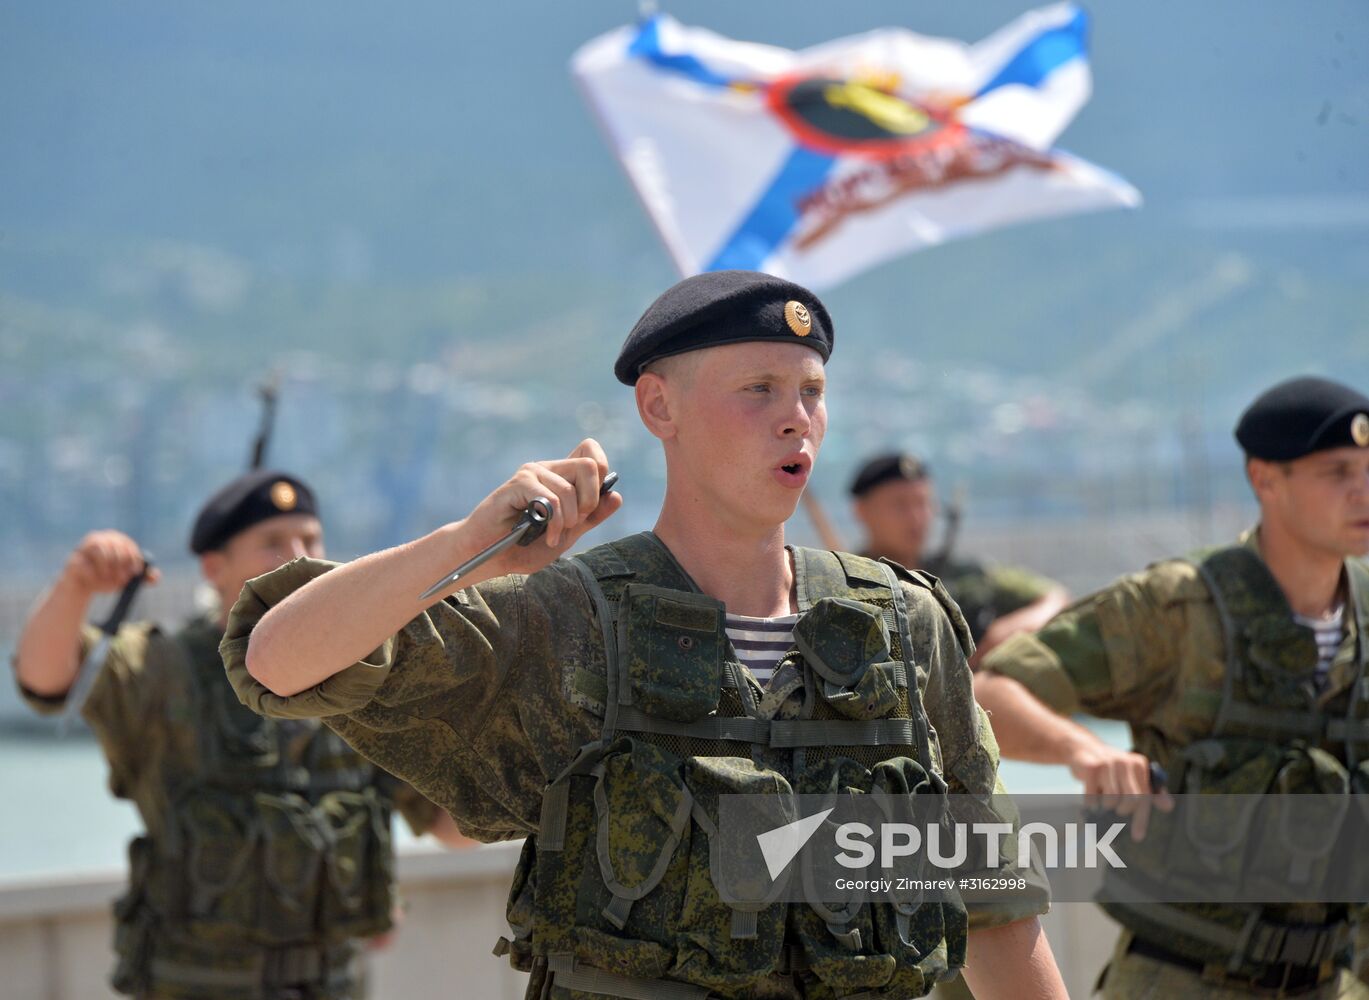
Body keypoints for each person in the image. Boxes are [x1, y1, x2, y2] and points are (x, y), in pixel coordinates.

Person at [220, 271, 1067, 1000]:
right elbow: (279, 661)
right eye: (758, 390)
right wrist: (470, 551)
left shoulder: (900, 624)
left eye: (810, 392)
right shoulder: (573, 618)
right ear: (659, 406)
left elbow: (993, 901)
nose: (795, 419)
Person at [973, 375, 1369, 998]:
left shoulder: (1365, 617)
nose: (1362, 491)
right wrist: (1086, 751)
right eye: (1337, 471)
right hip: (1185, 979)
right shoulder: (1179, 609)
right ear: (1267, 479)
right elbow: (991, 694)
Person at [13, 468, 469, 1000]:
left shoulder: (364, 674)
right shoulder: (165, 669)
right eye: (271, 542)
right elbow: (45, 681)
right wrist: (78, 584)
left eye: (310, 538)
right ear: (214, 567)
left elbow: (447, 821)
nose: (298, 554)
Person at [849, 453, 1069, 665]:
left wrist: (997, 638)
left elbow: (1055, 600)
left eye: (923, 503)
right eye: (900, 505)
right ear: (861, 511)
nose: (916, 517)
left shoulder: (966, 575)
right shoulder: (846, 582)